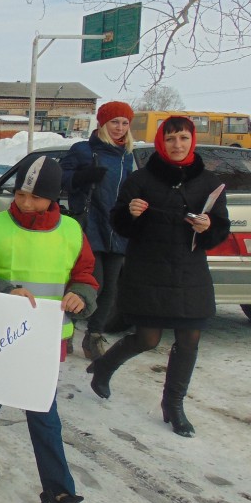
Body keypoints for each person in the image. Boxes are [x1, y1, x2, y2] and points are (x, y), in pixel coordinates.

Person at [0, 156, 103, 503]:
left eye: (35, 197)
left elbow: (85, 274)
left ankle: (59, 497)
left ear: (53, 198)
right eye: (20, 193)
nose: (24, 203)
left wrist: (81, 295)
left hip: (45, 340)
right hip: (1, 334)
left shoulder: (71, 231)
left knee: (42, 411)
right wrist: (6, 290)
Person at [86, 115, 230, 437]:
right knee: (147, 339)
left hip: (189, 273)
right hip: (149, 271)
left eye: (183, 138)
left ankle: (173, 404)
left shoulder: (208, 182)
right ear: (161, 142)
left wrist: (209, 227)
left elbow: (221, 226)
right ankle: (104, 367)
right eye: (170, 138)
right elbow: (118, 222)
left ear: (192, 141)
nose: (177, 145)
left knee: (189, 340)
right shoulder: (141, 179)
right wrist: (130, 214)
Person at [61, 101, 136, 360]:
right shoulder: (84, 150)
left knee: (111, 288)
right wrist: (82, 177)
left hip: (117, 227)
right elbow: (61, 178)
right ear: (102, 124)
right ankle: (66, 329)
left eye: (125, 123)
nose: (120, 128)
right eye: (114, 122)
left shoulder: (127, 155)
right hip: (90, 225)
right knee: (93, 283)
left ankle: (94, 335)